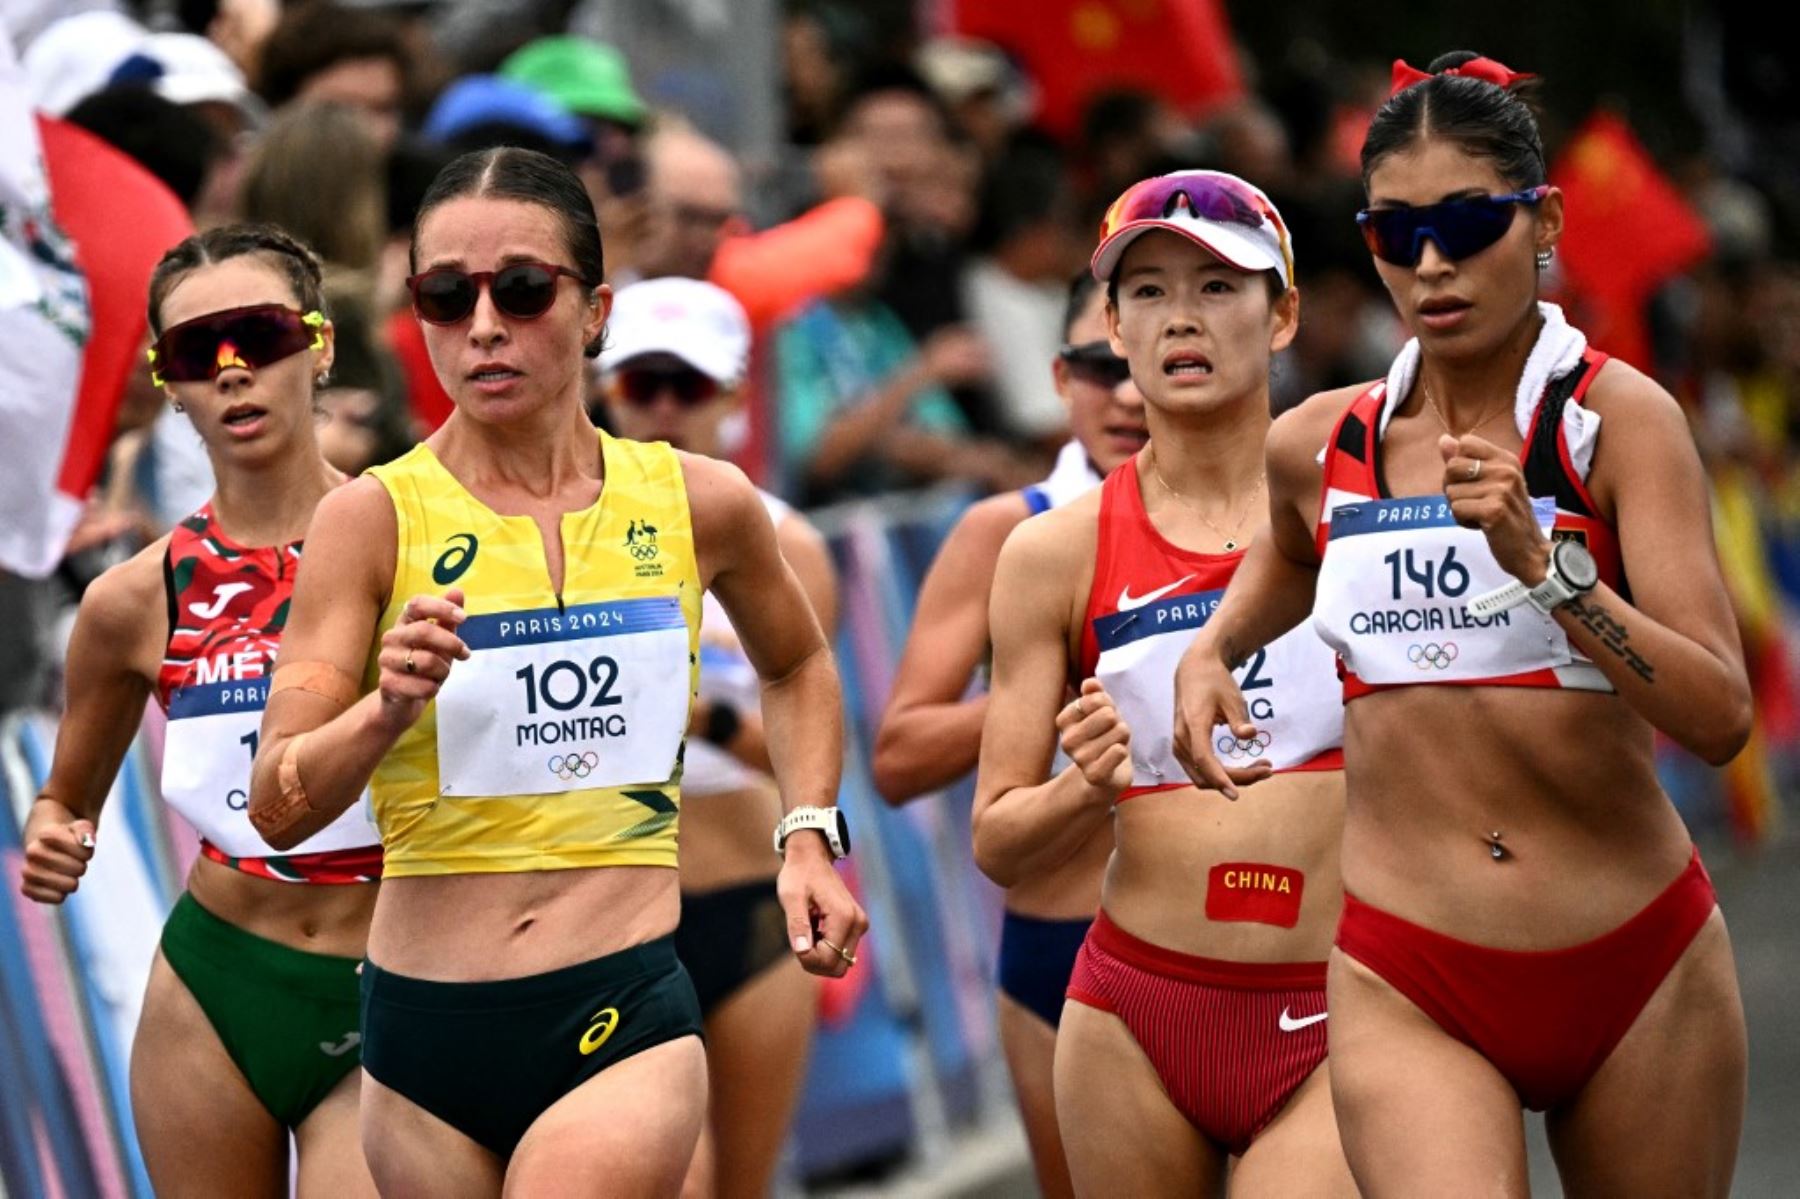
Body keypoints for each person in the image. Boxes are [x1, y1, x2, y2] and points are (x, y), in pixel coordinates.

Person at [1171, 54, 1750, 1197]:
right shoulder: (1322, 443)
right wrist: (1210, 647)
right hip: (1410, 971)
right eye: (1395, 235)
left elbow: (1721, 713)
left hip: (1635, 960)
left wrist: (1552, 574)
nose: (1430, 264)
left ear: (1542, 221)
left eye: (1467, 223)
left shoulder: (1615, 421)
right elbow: (1289, 553)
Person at [246, 147, 866, 1197]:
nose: (483, 323)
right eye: (446, 294)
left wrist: (806, 831)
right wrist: (382, 711)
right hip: (421, 1032)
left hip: (616, 1003)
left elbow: (800, 659)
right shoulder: (368, 519)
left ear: (593, 312)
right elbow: (277, 804)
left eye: (523, 289)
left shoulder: (697, 500)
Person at [975, 171, 1357, 1197]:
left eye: (1219, 286)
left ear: (1281, 315)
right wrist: (1081, 787)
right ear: (1111, 321)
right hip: (1134, 1013)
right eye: (1147, 291)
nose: (1181, 317)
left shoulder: (1358, 511)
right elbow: (998, 838)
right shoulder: (1051, 551)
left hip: (1342, 1003)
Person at [19, 224, 381, 1197]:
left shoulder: (422, 540)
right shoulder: (133, 598)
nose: (231, 371)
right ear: (165, 381)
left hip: (391, 975)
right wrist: (55, 832)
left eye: (258, 335)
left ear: (320, 346)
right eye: (193, 351)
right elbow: (64, 798)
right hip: (215, 986)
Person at [872, 268, 1144, 1197]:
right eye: (1098, 365)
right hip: (1065, 949)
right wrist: (1039, 696)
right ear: (1061, 378)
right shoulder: (1006, 531)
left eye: (1146, 359)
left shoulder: (1260, 521)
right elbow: (899, 757)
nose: (1127, 391)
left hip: (1255, 932)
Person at [598, 276, 833, 1199]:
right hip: (611, 916)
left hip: (746, 908)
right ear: (604, 388)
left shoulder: (784, 545)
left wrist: (706, 716)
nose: (661, 411)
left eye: (686, 387)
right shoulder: (537, 543)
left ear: (735, 396)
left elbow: (812, 752)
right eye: (639, 384)